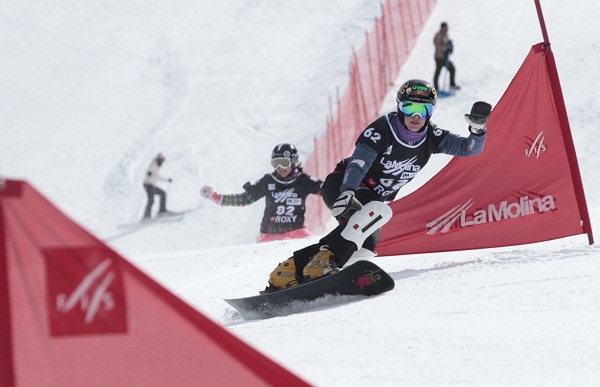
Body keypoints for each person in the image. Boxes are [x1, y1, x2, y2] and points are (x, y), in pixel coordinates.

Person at [265, 79, 491, 291]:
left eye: (423, 110)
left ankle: (290, 271)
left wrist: (477, 130)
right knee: (377, 211)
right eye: (409, 107)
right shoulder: (382, 129)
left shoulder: (432, 137)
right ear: (399, 107)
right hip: (345, 185)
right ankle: (320, 265)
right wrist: (348, 191)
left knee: (365, 248)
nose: (415, 116)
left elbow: (468, 148)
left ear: (431, 112)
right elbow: (359, 162)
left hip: (367, 198)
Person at [200, 143, 324, 243]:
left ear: (293, 162)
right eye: (276, 163)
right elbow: (245, 199)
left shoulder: (303, 181)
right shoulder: (268, 181)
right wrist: (217, 197)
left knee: (313, 244)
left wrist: (341, 190)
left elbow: (325, 189)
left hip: (296, 230)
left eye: (284, 162)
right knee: (285, 244)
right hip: (271, 233)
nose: (280, 167)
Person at [143, 152, 174, 220]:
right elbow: (149, 169)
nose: (161, 162)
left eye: (162, 160)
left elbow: (158, 176)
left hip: (151, 185)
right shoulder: (153, 164)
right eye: (160, 160)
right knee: (151, 200)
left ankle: (161, 211)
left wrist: (167, 180)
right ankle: (146, 216)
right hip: (148, 184)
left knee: (162, 193)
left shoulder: (157, 167)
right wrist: (149, 172)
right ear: (157, 159)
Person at [433, 22, 460, 91]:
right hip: (439, 57)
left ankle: (452, 84)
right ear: (442, 27)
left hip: (445, 57)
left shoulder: (446, 35)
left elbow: (446, 44)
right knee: (438, 71)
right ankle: (435, 87)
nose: (447, 29)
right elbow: (437, 46)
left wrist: (450, 47)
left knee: (452, 69)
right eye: (445, 27)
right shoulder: (438, 35)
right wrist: (446, 48)